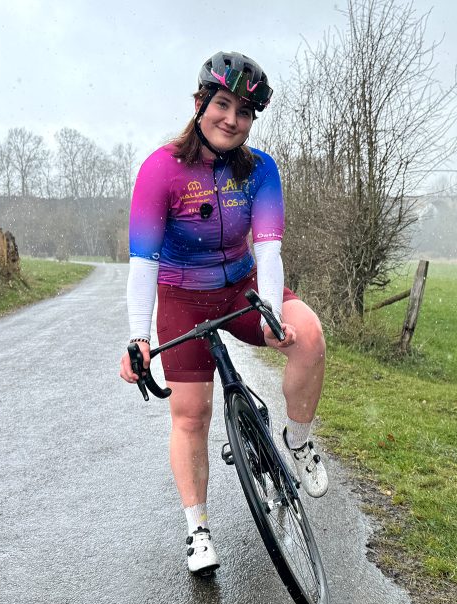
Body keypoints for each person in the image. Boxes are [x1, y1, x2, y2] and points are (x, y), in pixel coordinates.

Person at [119, 51, 328, 576]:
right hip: (184, 299)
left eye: (245, 111)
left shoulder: (260, 171)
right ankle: (197, 527)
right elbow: (143, 261)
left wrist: (272, 317)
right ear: (199, 104)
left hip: (243, 287)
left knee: (310, 336)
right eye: (222, 104)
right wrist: (137, 339)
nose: (232, 119)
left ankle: (297, 442)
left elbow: (270, 250)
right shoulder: (160, 169)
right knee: (191, 415)